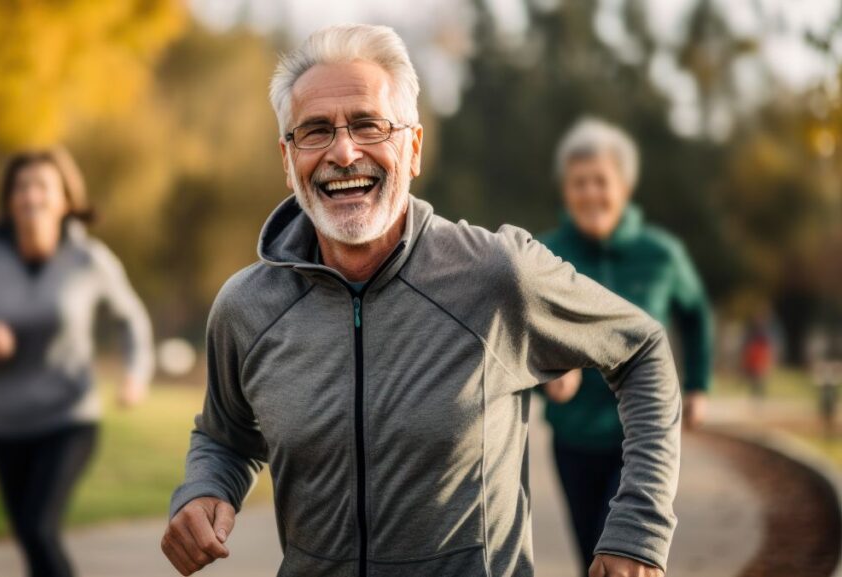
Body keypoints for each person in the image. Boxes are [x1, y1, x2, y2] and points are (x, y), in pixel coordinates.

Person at [161, 24, 680, 577]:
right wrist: (204, 488)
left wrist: (637, 531)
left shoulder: (496, 276)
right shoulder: (246, 307)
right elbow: (226, 436)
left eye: (368, 125)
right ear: (288, 162)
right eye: (314, 131)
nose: (343, 150)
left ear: (412, 149)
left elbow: (641, 349)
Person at [0, 148, 155, 577]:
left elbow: (132, 319)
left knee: (39, 529)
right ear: (8, 200)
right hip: (5, 428)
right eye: (21, 187)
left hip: (68, 419)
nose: (30, 196)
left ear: (65, 200)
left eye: (42, 186)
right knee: (31, 541)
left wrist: (136, 374)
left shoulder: (89, 260)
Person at [536, 118, 713, 577]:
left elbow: (695, 315)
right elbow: (522, 338)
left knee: (625, 556)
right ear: (565, 190)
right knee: (590, 558)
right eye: (579, 183)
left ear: (624, 184)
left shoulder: (661, 254)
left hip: (640, 436)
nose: (590, 193)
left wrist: (698, 386)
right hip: (573, 437)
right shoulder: (543, 255)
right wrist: (548, 377)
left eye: (601, 181)